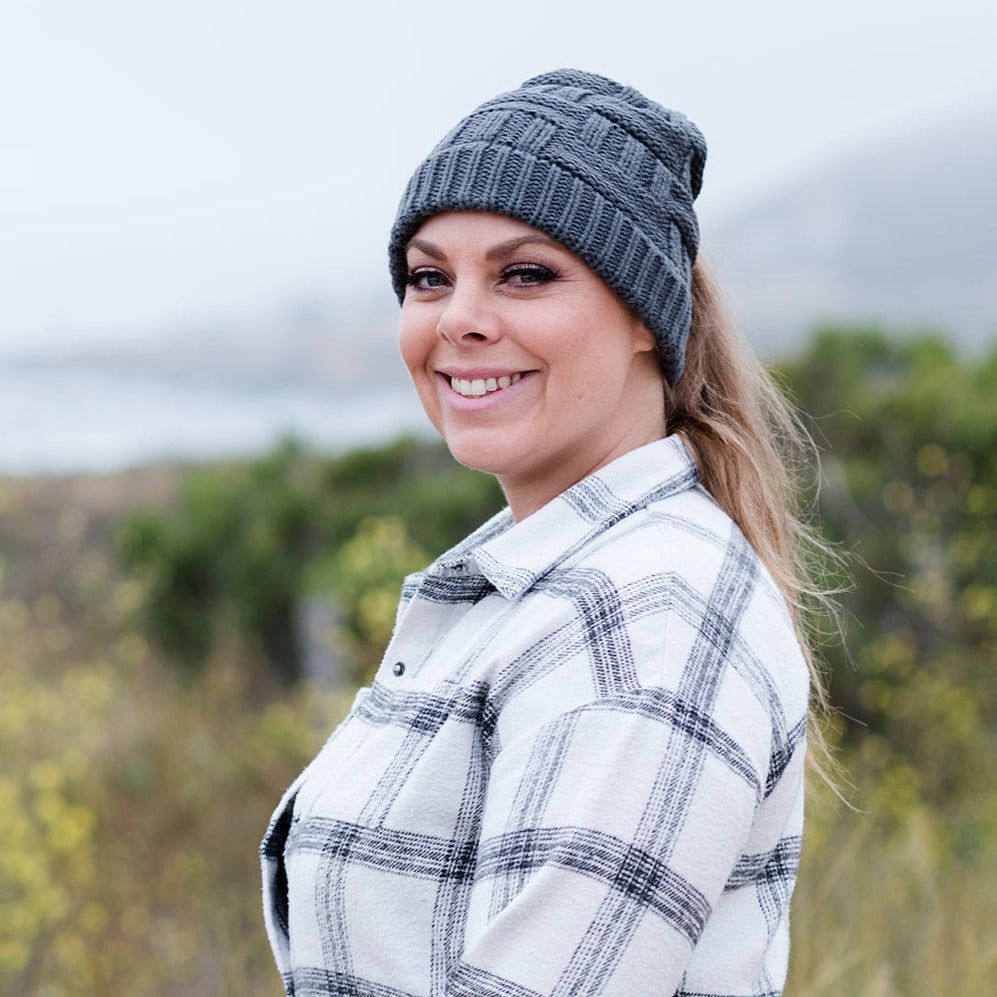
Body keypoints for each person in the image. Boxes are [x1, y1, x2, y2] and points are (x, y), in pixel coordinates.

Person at [260, 68, 842, 996]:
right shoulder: (551, 584)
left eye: (524, 274)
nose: (459, 319)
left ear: (645, 315)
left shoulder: (648, 613)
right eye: (427, 277)